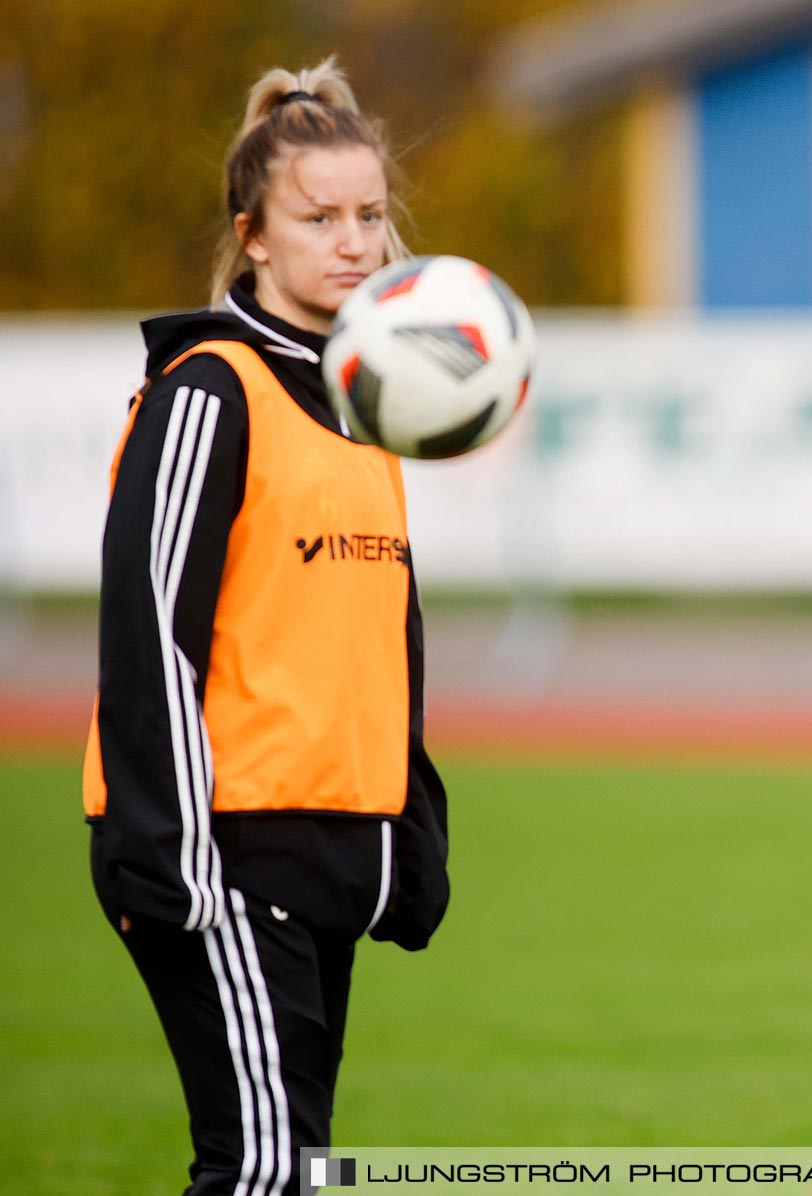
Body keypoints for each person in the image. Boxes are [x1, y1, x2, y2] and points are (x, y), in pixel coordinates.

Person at [81, 58, 449, 1196]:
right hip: (221, 851)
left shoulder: (365, 408)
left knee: (296, 1166)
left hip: (328, 850)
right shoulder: (208, 391)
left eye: (371, 216)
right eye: (319, 217)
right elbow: (151, 635)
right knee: (263, 1169)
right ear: (254, 236)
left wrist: (408, 831)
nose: (353, 241)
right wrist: (178, 860)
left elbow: (382, 639)